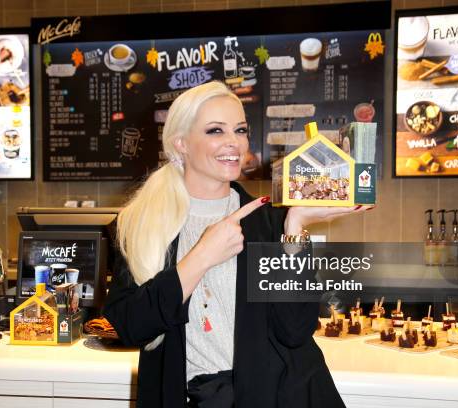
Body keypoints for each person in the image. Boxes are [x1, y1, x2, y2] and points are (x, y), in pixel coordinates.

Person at [104, 81, 370, 407]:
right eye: (216, 130)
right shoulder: (140, 225)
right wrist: (201, 257)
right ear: (181, 143)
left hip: (274, 397)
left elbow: (295, 331)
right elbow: (131, 327)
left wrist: (295, 226)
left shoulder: (268, 221)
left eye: (240, 130)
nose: (234, 142)